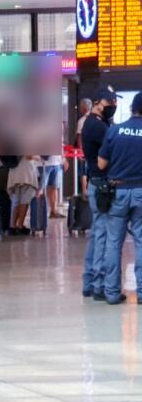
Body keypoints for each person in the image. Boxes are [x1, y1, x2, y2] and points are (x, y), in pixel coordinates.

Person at [98, 91, 142, 306]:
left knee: (114, 243)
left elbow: (101, 165)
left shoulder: (114, 130)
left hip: (118, 192)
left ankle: (113, 293)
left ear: (133, 108)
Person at [82, 87, 119, 300]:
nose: (113, 105)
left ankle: (90, 281)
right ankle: (99, 285)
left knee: (97, 235)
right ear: (97, 102)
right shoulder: (97, 126)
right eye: (109, 101)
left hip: (97, 183)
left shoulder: (96, 123)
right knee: (103, 235)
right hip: (102, 184)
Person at [7, 155, 42, 235]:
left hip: (15, 172)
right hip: (26, 173)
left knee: (16, 201)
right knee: (24, 202)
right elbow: (30, 155)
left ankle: (12, 226)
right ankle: (20, 226)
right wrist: (39, 157)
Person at [75, 98, 93, 196]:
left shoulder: (81, 121)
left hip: (85, 151)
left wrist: (80, 152)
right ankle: (90, 191)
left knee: (83, 172)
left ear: (83, 108)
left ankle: (85, 192)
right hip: (94, 151)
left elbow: (79, 138)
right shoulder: (95, 119)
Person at [42, 153, 67, 218]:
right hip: (43, 163)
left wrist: (64, 160)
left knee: (54, 187)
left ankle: (53, 211)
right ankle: (38, 214)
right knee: (40, 188)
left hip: (57, 162)